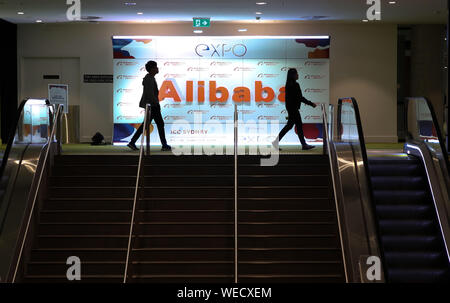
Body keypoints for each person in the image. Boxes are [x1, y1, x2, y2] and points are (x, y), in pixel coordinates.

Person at [127, 60, 171, 151]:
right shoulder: (149, 79)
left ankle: (132, 142)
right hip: (152, 106)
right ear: (151, 69)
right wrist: (156, 104)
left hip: (151, 105)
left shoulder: (150, 78)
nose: (157, 68)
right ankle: (164, 145)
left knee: (147, 125)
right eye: (155, 67)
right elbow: (150, 94)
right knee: (159, 124)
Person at [272, 68, 316, 150]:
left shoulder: (288, 84)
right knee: (298, 125)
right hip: (293, 109)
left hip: (291, 108)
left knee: (289, 126)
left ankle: (276, 142)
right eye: (296, 73)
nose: (298, 75)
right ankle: (304, 145)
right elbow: (300, 98)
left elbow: (294, 98)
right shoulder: (295, 85)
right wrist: (311, 103)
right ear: (293, 75)